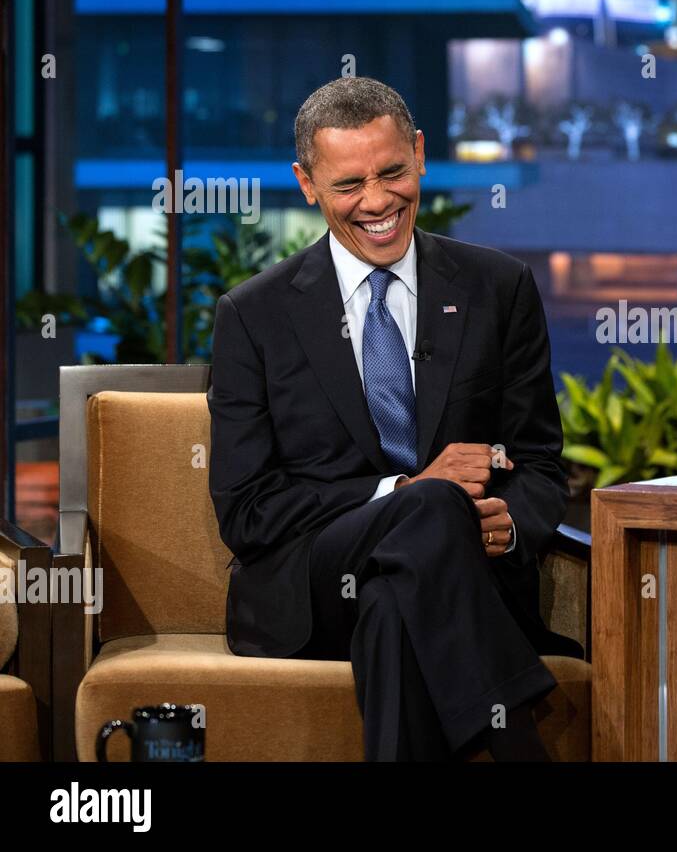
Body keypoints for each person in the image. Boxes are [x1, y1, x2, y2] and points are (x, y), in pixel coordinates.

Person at [208, 77, 571, 760]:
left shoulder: (498, 288)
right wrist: (404, 495)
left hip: (452, 581)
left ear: (422, 154)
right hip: (312, 589)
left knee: (392, 609)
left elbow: (540, 465)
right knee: (431, 503)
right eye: (347, 185)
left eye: (393, 172)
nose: (377, 202)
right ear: (307, 184)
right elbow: (247, 510)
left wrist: (509, 522)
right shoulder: (254, 315)